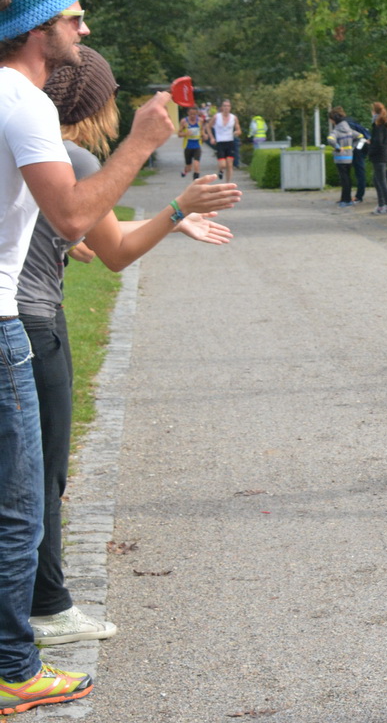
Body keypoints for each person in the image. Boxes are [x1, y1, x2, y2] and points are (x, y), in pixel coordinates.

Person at [0, 0, 176, 713]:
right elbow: (74, 219)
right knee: (21, 507)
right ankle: (14, 666)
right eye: (74, 17)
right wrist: (139, 143)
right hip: (8, 322)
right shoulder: (25, 100)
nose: (85, 29)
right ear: (39, 27)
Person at [24, 48, 239, 646]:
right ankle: (48, 607)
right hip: (33, 323)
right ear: (95, 102)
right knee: (42, 477)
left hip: (23, 315)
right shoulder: (71, 156)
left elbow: (75, 235)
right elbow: (115, 250)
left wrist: (79, 241)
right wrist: (178, 208)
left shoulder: (27, 146)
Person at [329, 106, 364, 206]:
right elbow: (360, 137)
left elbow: (330, 139)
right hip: (349, 156)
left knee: (344, 179)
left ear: (334, 120)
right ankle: (346, 198)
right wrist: (353, 147)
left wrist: (338, 147)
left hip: (340, 158)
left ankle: (345, 200)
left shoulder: (336, 131)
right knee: (347, 178)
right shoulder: (348, 129)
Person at [367, 101, 387, 213]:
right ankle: (382, 203)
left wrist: (370, 145)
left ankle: (386, 204)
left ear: (374, 112)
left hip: (379, 155)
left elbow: (378, 141)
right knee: (378, 180)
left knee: (381, 181)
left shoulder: (378, 126)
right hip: (385, 154)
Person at [209, 98, 239, 182]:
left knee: (229, 164)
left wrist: (237, 132)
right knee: (223, 165)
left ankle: (228, 183)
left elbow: (239, 129)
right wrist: (211, 137)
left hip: (230, 142)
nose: (226, 108)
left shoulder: (234, 118)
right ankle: (221, 170)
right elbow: (208, 126)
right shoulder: (216, 117)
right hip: (220, 143)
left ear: (230, 107)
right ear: (222, 107)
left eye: (228, 106)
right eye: (224, 106)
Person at [179, 105, 203, 180]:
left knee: (196, 164)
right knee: (189, 167)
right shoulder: (184, 121)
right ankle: (185, 171)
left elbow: (202, 131)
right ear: (188, 113)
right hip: (188, 146)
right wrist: (185, 134)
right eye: (191, 114)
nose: (193, 116)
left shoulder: (200, 121)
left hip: (197, 146)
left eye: (194, 114)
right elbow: (179, 134)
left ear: (197, 113)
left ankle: (195, 182)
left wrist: (204, 135)